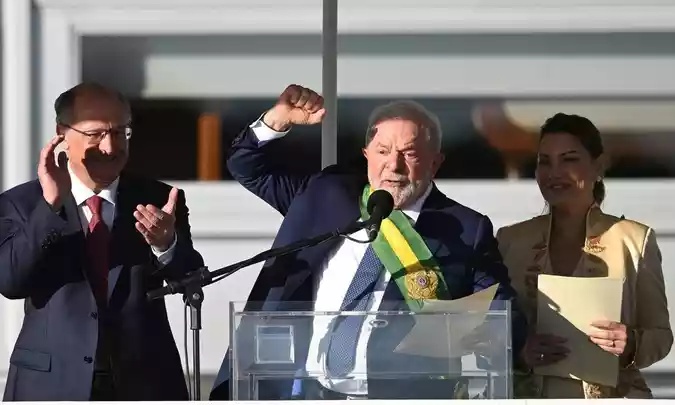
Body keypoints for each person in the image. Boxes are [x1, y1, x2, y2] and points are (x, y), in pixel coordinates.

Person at [210, 84, 527, 400]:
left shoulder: (465, 229)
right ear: (366, 156)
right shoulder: (325, 193)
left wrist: (492, 333)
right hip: (293, 393)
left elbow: (502, 310)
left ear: (435, 162)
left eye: (410, 153)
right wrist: (278, 119)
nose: (394, 165)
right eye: (383, 151)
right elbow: (246, 166)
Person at [0, 82, 204, 401]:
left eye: (120, 133)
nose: (109, 147)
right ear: (62, 133)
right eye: (95, 134)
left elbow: (192, 279)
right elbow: (9, 281)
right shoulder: (22, 203)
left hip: (144, 382)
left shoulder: (158, 199)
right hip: (50, 384)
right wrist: (50, 206)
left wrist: (166, 245)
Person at [496, 113, 673, 399]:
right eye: (545, 161)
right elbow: (485, 331)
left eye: (569, 159)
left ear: (599, 166)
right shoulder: (509, 240)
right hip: (528, 397)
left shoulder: (634, 239)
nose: (554, 172)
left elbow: (661, 336)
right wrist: (519, 350)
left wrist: (630, 343)